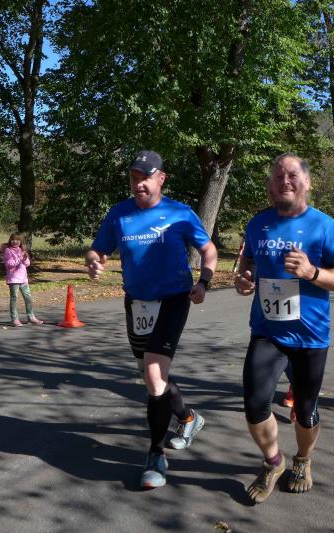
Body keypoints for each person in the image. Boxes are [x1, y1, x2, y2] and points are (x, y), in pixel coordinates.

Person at [85, 150, 218, 489]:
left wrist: (204, 281)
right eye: (134, 178)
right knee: (151, 376)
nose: (138, 184)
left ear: (161, 179)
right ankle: (189, 417)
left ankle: (156, 455)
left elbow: (208, 250)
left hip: (174, 298)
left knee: (155, 375)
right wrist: (94, 260)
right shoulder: (119, 214)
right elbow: (98, 249)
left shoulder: (180, 213)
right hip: (137, 303)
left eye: (145, 178)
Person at [234, 153, 334, 504]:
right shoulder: (258, 224)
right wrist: (244, 279)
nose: (284, 181)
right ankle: (273, 462)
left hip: (310, 336)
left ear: (307, 183)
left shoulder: (324, 226)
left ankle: (302, 460)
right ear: (270, 185)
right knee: (255, 404)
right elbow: (248, 261)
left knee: (305, 410)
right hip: (267, 331)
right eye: (278, 176)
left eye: (292, 175)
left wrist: (311, 273)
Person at [2, 233, 45, 327]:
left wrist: (25, 258)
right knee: (14, 299)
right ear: (10, 240)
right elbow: (9, 264)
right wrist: (20, 258)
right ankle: (15, 319)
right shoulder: (8, 250)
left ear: (21, 241)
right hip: (14, 279)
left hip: (23, 279)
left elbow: (27, 264)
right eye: (13, 239)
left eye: (18, 240)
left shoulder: (22, 250)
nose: (15, 241)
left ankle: (31, 317)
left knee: (28, 298)